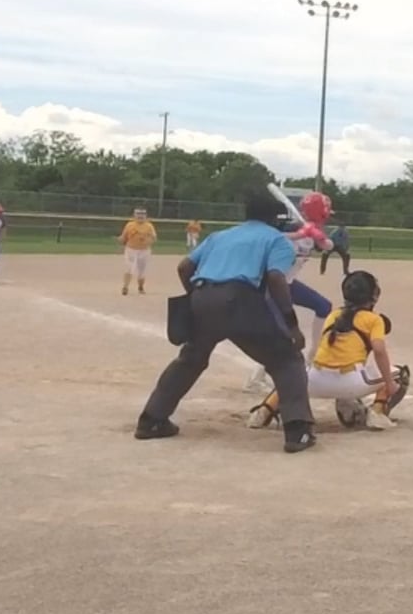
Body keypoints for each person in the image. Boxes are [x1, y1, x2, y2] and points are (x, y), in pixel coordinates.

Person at [136, 190, 318, 452]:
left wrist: (198, 298)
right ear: (275, 219)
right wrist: (291, 325)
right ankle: (298, 432)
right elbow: (276, 278)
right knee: (287, 360)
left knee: (191, 358)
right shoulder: (276, 239)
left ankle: (151, 420)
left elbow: (184, 267)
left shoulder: (219, 236)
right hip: (240, 299)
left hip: (202, 297)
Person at [248, 270, 412, 432]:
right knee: (400, 374)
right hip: (350, 381)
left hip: (315, 380)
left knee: (293, 377)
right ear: (373, 296)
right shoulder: (374, 319)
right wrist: (389, 383)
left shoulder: (334, 315)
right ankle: (378, 412)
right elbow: (379, 350)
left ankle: (265, 410)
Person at [240, 194, 335, 398]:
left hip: (289, 284)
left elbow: (329, 246)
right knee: (281, 334)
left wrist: (317, 236)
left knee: (324, 306)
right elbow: (270, 238)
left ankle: (312, 358)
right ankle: (255, 379)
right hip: (272, 285)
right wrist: (299, 234)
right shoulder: (289, 227)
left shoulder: (315, 231)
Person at [118, 207, 158, 295]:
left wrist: (148, 241)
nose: (140, 216)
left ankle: (140, 286)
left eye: (143, 214)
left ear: (146, 216)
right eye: (138, 214)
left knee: (141, 272)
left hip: (144, 251)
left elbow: (154, 238)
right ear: (134, 215)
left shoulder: (149, 226)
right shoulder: (129, 225)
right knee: (129, 268)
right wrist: (121, 240)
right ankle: (125, 287)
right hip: (131, 250)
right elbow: (124, 237)